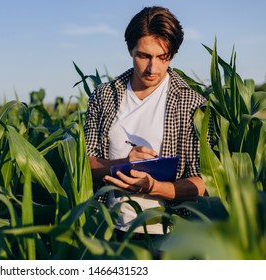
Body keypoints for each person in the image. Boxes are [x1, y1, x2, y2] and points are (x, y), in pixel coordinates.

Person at [83, 6, 208, 239]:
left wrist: (154, 186)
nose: (153, 68)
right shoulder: (104, 96)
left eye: (163, 58)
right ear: (130, 49)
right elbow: (83, 164)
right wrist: (124, 164)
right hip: (109, 230)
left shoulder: (191, 104)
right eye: (144, 56)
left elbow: (204, 181)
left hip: (169, 234)